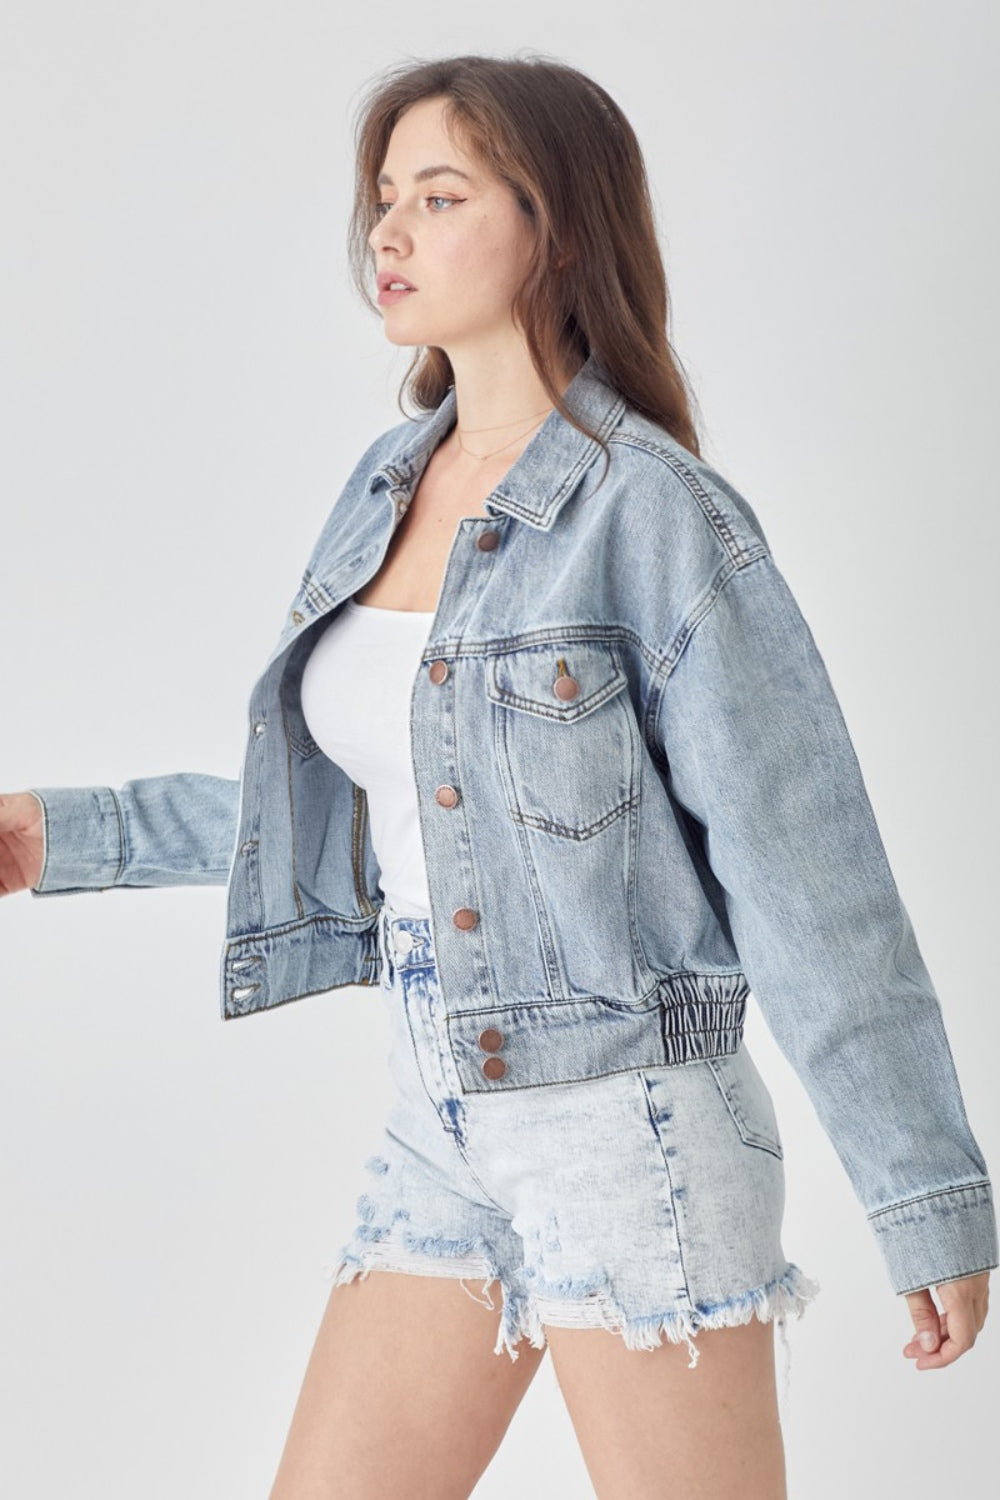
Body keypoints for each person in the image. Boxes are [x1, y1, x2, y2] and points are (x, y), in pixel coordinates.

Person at [0, 51, 995, 1500]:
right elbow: (375, 816)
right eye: (383, 200)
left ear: (559, 226)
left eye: (440, 196)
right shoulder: (385, 488)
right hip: (439, 1113)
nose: (387, 235)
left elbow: (808, 873)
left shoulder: (656, 516)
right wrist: (62, 834)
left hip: (631, 1126)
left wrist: (925, 1198)